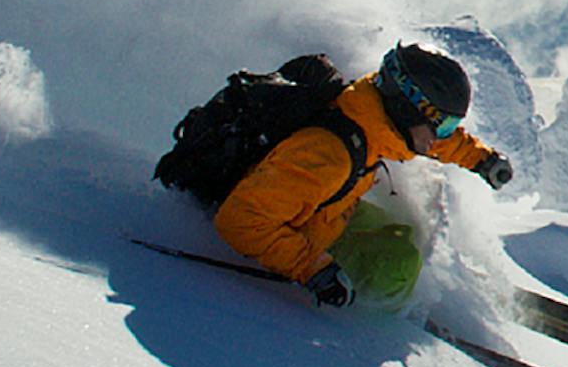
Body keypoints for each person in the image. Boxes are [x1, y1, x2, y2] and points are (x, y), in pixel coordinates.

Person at [214, 43, 511, 307]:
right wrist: (315, 270)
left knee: (401, 233)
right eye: (442, 126)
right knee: (398, 267)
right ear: (408, 109)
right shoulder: (328, 156)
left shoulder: (369, 114)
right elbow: (241, 220)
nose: (440, 138)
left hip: (323, 212)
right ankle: (375, 321)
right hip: (289, 233)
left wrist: (481, 160)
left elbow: (436, 139)